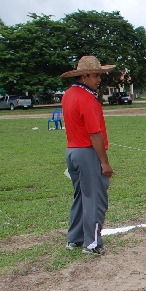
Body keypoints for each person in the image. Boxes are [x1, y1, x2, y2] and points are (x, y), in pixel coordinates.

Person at [61, 55, 115, 255]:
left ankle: (75, 238)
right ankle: (92, 243)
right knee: (95, 198)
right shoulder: (87, 99)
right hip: (87, 152)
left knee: (81, 196)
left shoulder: (68, 95)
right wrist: (104, 162)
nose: (99, 79)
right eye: (95, 75)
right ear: (84, 76)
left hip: (72, 151)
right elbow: (94, 133)